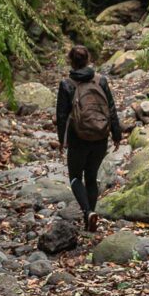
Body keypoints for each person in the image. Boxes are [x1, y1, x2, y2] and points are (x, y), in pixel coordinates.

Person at [56, 44, 121, 231]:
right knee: (91, 178)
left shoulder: (67, 84)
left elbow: (61, 117)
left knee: (76, 177)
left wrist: (62, 141)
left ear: (70, 61)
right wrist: (116, 135)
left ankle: (88, 213)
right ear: (88, 60)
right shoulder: (101, 81)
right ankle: (90, 218)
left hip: (78, 138)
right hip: (100, 136)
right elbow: (111, 108)